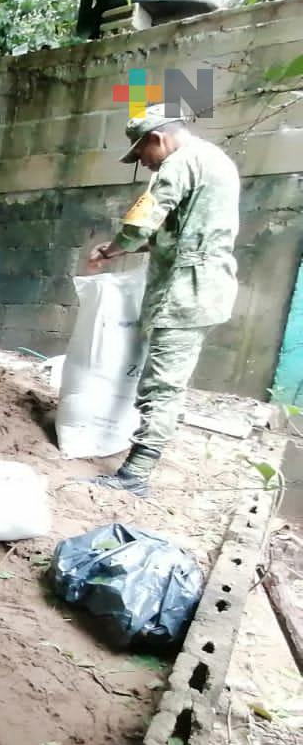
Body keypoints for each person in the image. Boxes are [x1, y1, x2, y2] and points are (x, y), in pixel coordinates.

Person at [87, 105, 240, 498]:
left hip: (186, 291)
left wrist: (120, 244)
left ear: (157, 139)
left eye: (141, 155)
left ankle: (136, 473)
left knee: (163, 385)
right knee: (169, 380)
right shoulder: (214, 160)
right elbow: (183, 231)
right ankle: (143, 457)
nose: (146, 164)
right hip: (205, 285)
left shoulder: (181, 162)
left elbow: (143, 220)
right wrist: (121, 251)